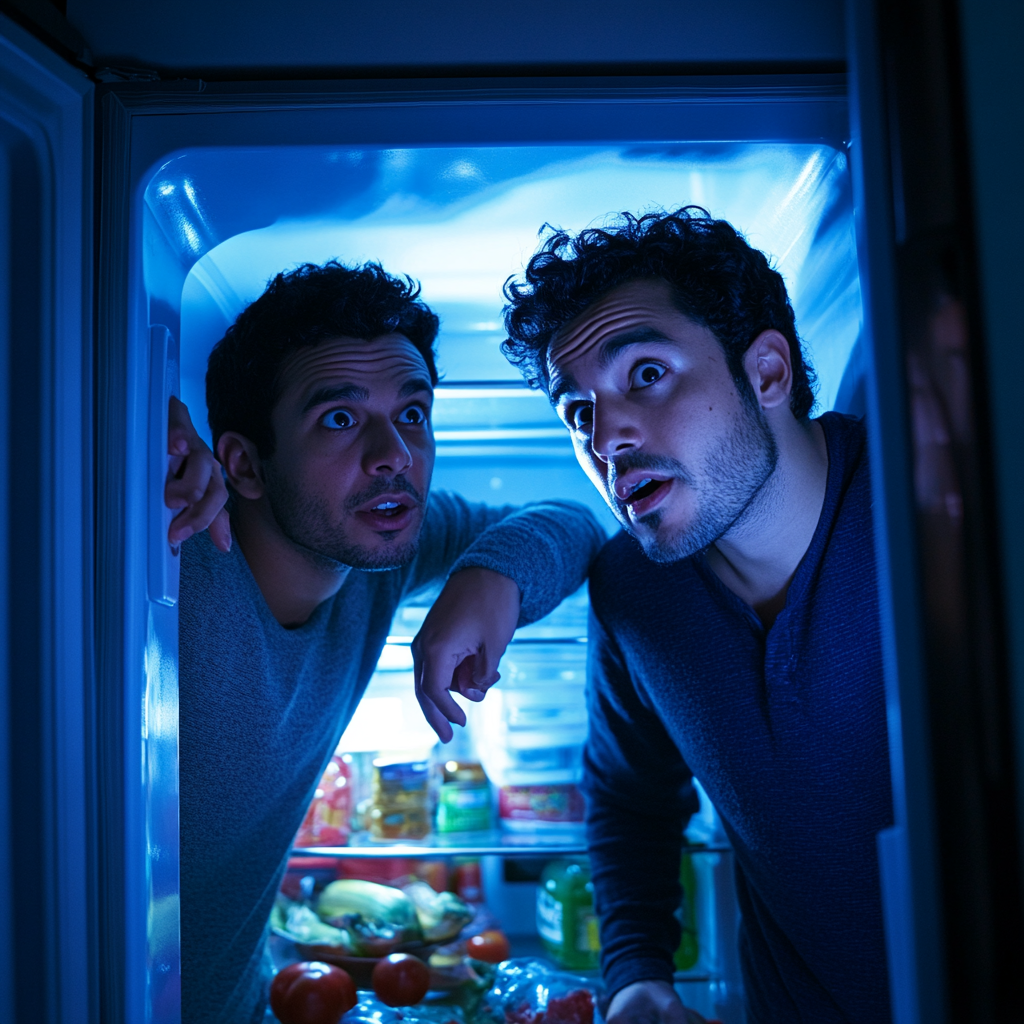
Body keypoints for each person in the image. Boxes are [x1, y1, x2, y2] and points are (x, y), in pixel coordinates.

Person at [166, 260, 606, 1024]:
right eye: (339, 418)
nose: (394, 455)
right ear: (242, 464)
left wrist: (489, 574)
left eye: (412, 412)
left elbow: (571, 520)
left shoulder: (376, 547)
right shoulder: (174, 556)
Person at [493, 207, 893, 1023]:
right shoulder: (638, 592)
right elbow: (631, 798)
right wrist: (637, 971)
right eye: (578, 411)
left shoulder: (919, 517)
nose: (607, 436)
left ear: (769, 373)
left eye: (645, 373)